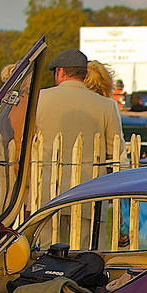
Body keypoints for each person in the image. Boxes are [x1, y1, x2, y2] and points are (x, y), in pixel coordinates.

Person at [31, 49, 121, 194]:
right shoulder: (107, 105)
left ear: (60, 72)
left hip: (46, 194)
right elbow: (115, 151)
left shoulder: (38, 99)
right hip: (88, 193)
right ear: (85, 75)